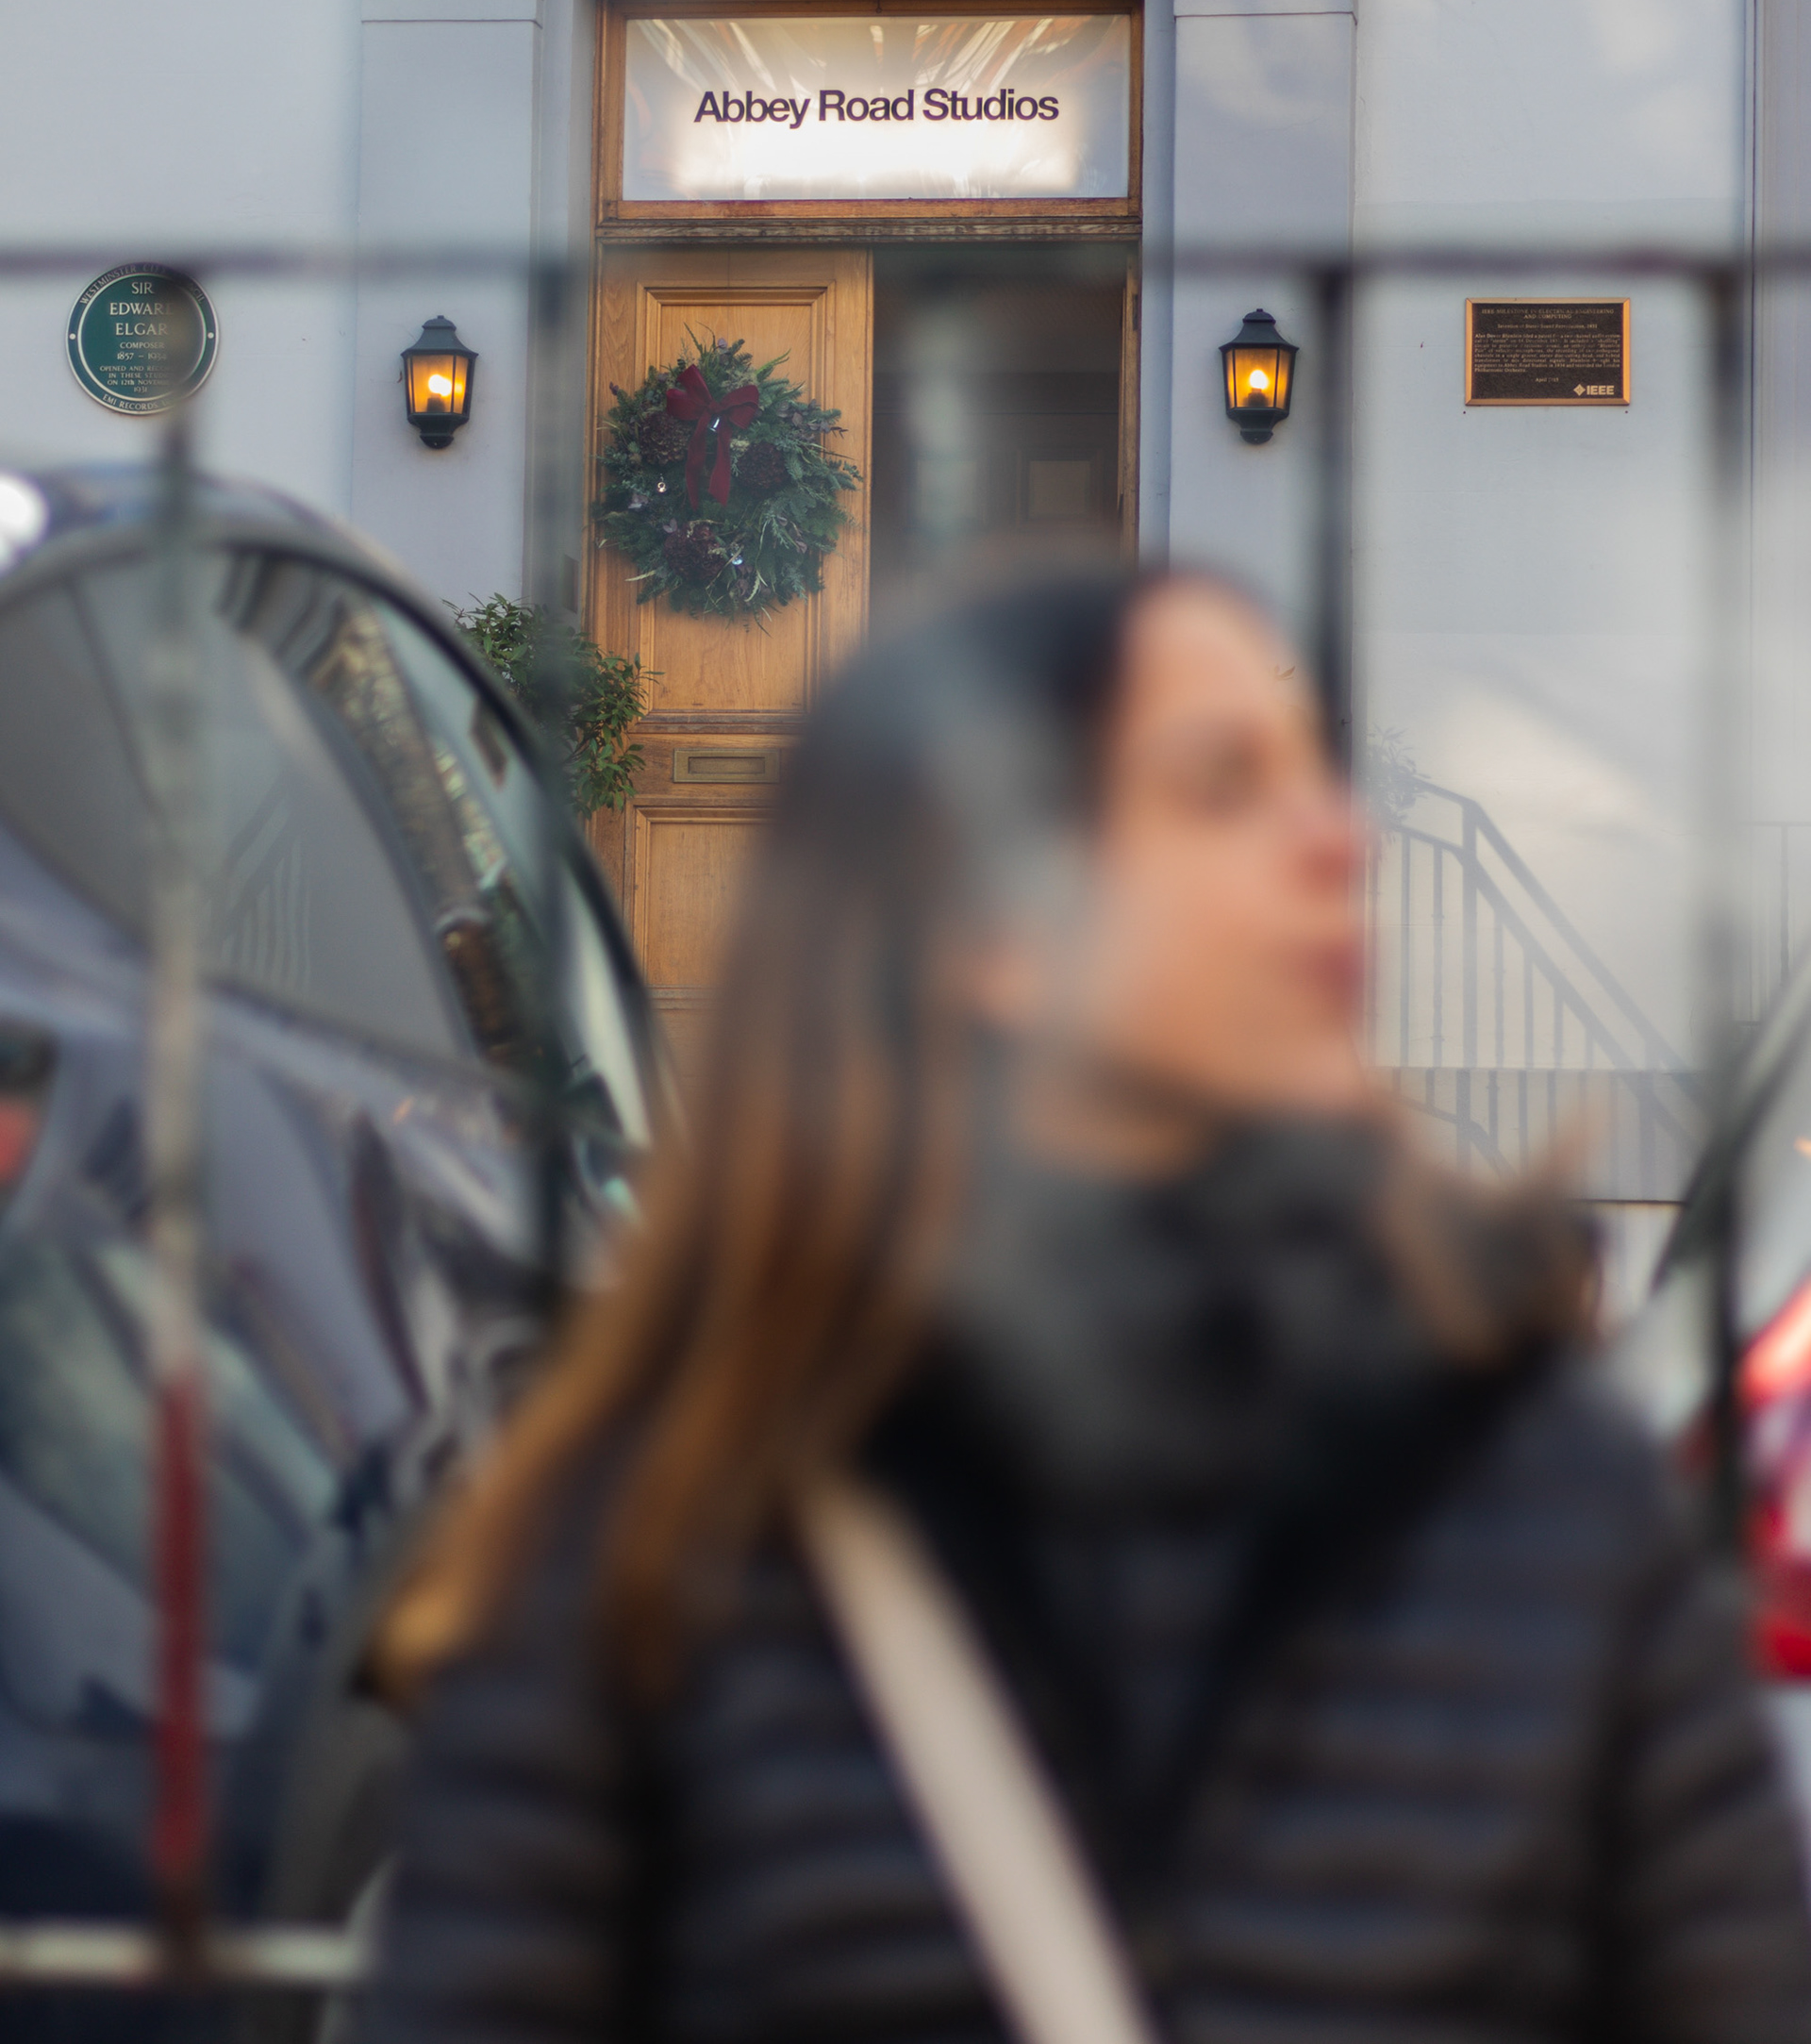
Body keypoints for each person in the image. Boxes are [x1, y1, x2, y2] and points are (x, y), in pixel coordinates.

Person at [361, 568, 1811, 2044]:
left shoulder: (1543, 1482)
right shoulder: (657, 1544)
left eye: (1312, 774)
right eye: (1220, 785)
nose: (1338, 839)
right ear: (987, 922)